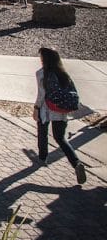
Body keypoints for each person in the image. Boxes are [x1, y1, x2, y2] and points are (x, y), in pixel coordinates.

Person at [34, 47, 87, 184]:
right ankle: (76, 163)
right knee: (60, 138)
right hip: (61, 110)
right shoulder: (64, 74)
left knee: (42, 133)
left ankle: (42, 158)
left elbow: (41, 95)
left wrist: (36, 108)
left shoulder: (41, 74)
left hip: (46, 109)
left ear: (44, 59)